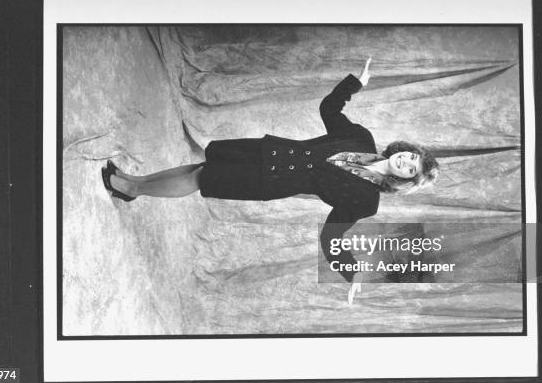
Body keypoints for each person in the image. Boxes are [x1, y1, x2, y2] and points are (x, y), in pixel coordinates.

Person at [101, 58, 439, 304]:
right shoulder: (361, 137)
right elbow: (329, 110)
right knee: (205, 165)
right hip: (270, 150)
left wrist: (351, 274)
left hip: (270, 182)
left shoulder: (367, 201)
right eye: (410, 156)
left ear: (405, 180)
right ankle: (135, 182)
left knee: (203, 179)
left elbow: (331, 236)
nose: (406, 162)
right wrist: (355, 84)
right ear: (404, 150)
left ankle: (131, 189)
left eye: (411, 169)